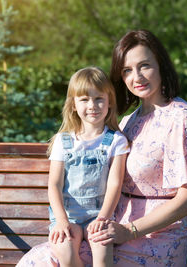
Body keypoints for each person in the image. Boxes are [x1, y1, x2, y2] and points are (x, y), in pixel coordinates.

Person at [17, 29, 187, 267]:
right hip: (110, 231)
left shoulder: (182, 118)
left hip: (154, 240)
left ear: (161, 65)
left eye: (145, 66)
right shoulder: (128, 122)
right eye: (127, 70)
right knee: (42, 258)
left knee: (44, 262)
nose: (136, 77)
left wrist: (130, 231)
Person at [44, 66, 129, 267]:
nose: (92, 105)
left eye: (99, 98)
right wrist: (61, 220)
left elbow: (114, 185)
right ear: (73, 104)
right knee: (66, 252)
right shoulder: (63, 141)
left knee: (102, 255)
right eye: (84, 99)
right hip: (68, 216)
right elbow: (54, 185)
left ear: (109, 102)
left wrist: (103, 218)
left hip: (99, 215)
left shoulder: (116, 141)